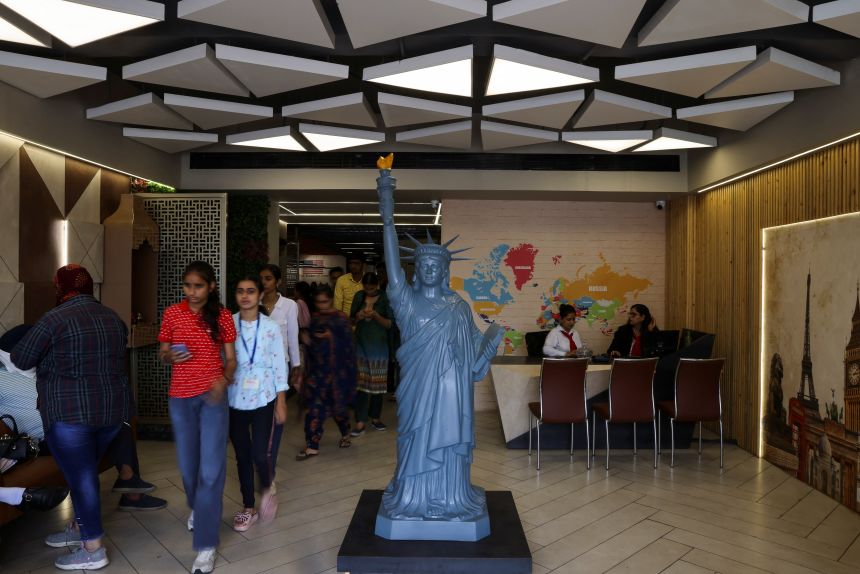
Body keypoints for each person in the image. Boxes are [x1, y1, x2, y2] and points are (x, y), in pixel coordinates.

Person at [376, 159, 503, 523]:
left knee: (449, 443)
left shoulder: (458, 307)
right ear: (416, 271)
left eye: (437, 265)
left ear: (446, 272)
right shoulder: (406, 301)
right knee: (414, 437)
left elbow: (474, 351)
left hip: (452, 394)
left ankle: (450, 497)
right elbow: (392, 267)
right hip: (418, 391)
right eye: (424, 265)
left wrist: (490, 342)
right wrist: (387, 212)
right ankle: (414, 497)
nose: (430, 269)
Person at [10, 264, 130, 570]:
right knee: (83, 474)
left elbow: (20, 358)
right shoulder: (113, 318)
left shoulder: (54, 318)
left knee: (82, 477)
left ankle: (93, 549)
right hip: (112, 413)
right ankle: (79, 529)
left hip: (69, 413)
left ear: (61, 287)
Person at [158, 261, 237, 574]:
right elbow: (163, 352)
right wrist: (169, 355)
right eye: (188, 285)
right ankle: (200, 508)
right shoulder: (172, 313)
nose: (192, 292)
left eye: (199, 286)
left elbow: (231, 360)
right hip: (180, 399)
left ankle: (206, 546)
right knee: (189, 469)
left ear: (211, 286)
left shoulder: (222, 316)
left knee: (211, 471)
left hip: (213, 399)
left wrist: (223, 380)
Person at [228, 276, 287, 532]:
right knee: (242, 455)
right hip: (234, 398)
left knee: (259, 453)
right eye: (240, 291)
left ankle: (266, 486)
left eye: (250, 291)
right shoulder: (228, 324)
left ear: (260, 295)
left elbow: (279, 364)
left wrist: (281, 401)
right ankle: (248, 507)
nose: (245, 295)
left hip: (264, 396)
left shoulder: (271, 327)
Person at [296, 286, 356, 460]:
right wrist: (307, 340)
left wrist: (331, 338)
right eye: (318, 302)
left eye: (325, 302)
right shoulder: (315, 318)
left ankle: (345, 434)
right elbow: (312, 344)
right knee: (314, 408)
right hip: (317, 373)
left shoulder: (341, 319)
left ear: (331, 300)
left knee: (338, 408)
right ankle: (312, 445)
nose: (322, 305)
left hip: (337, 374)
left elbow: (349, 347)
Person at [258, 264, 301, 468]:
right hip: (256, 368)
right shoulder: (253, 301)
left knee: (276, 416)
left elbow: (293, 336)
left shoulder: (289, 305)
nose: (264, 282)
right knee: (260, 415)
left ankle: (270, 465)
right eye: (261, 278)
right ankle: (261, 457)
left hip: (279, 366)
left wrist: (296, 365)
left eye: (268, 278)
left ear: (278, 281)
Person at [350, 273, 392, 436]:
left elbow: (390, 324)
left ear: (377, 285)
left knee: (378, 383)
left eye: (372, 288)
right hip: (361, 345)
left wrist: (376, 315)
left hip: (379, 346)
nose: (369, 291)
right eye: (366, 288)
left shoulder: (385, 298)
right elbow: (351, 320)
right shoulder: (359, 296)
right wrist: (358, 316)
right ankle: (360, 421)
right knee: (361, 384)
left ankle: (375, 417)